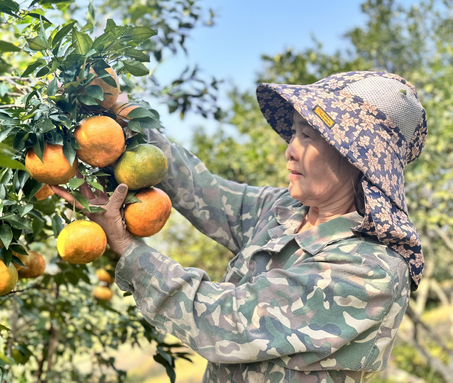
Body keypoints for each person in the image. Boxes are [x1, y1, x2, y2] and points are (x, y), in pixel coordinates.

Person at [52, 71, 427, 382]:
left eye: (308, 136)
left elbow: (225, 323)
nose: (290, 149)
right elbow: (201, 189)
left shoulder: (370, 269)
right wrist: (118, 112)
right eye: (294, 133)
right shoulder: (284, 209)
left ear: (356, 159)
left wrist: (127, 248)